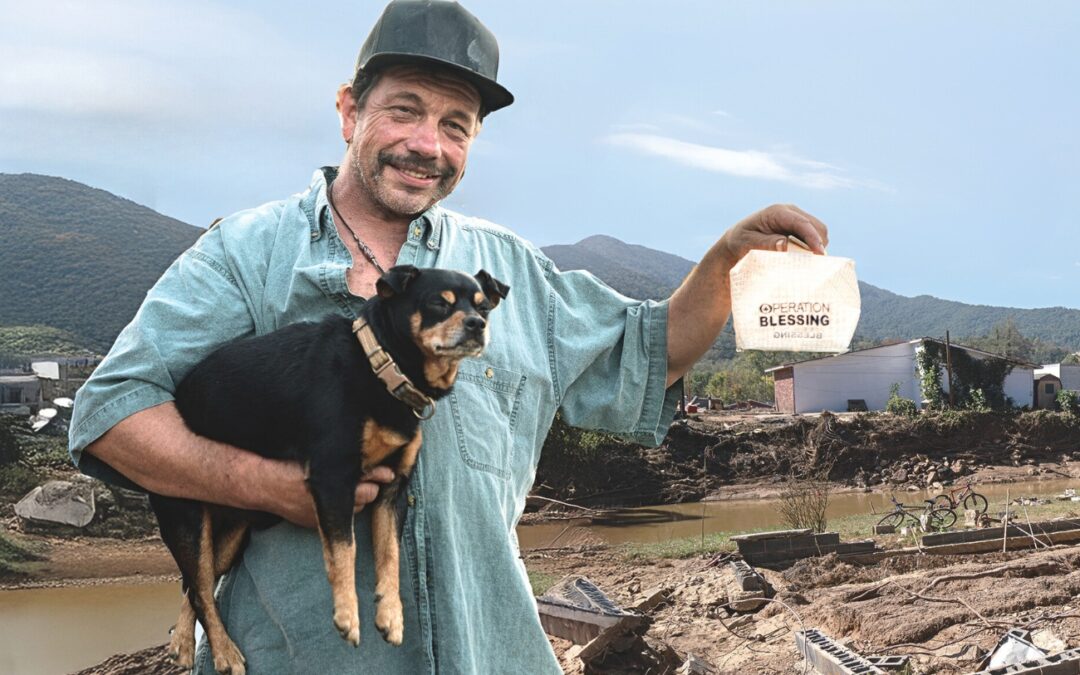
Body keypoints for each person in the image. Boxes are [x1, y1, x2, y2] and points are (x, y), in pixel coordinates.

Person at [69, 1, 828, 672]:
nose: (427, 144)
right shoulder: (244, 257)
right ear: (349, 111)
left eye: (455, 125)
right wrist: (264, 486)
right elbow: (110, 414)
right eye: (404, 111)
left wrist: (726, 260)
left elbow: (651, 351)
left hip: (490, 652)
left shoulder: (511, 272)